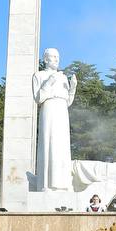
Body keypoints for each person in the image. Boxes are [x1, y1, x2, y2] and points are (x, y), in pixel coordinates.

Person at [33, 47, 76, 191]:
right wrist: (49, 81)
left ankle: (64, 184)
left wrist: (73, 88)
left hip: (62, 111)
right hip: (49, 108)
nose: (56, 60)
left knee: (62, 145)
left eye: (58, 57)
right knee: (49, 143)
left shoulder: (63, 77)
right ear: (46, 59)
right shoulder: (38, 75)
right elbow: (39, 98)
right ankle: (47, 184)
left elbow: (68, 102)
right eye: (53, 57)